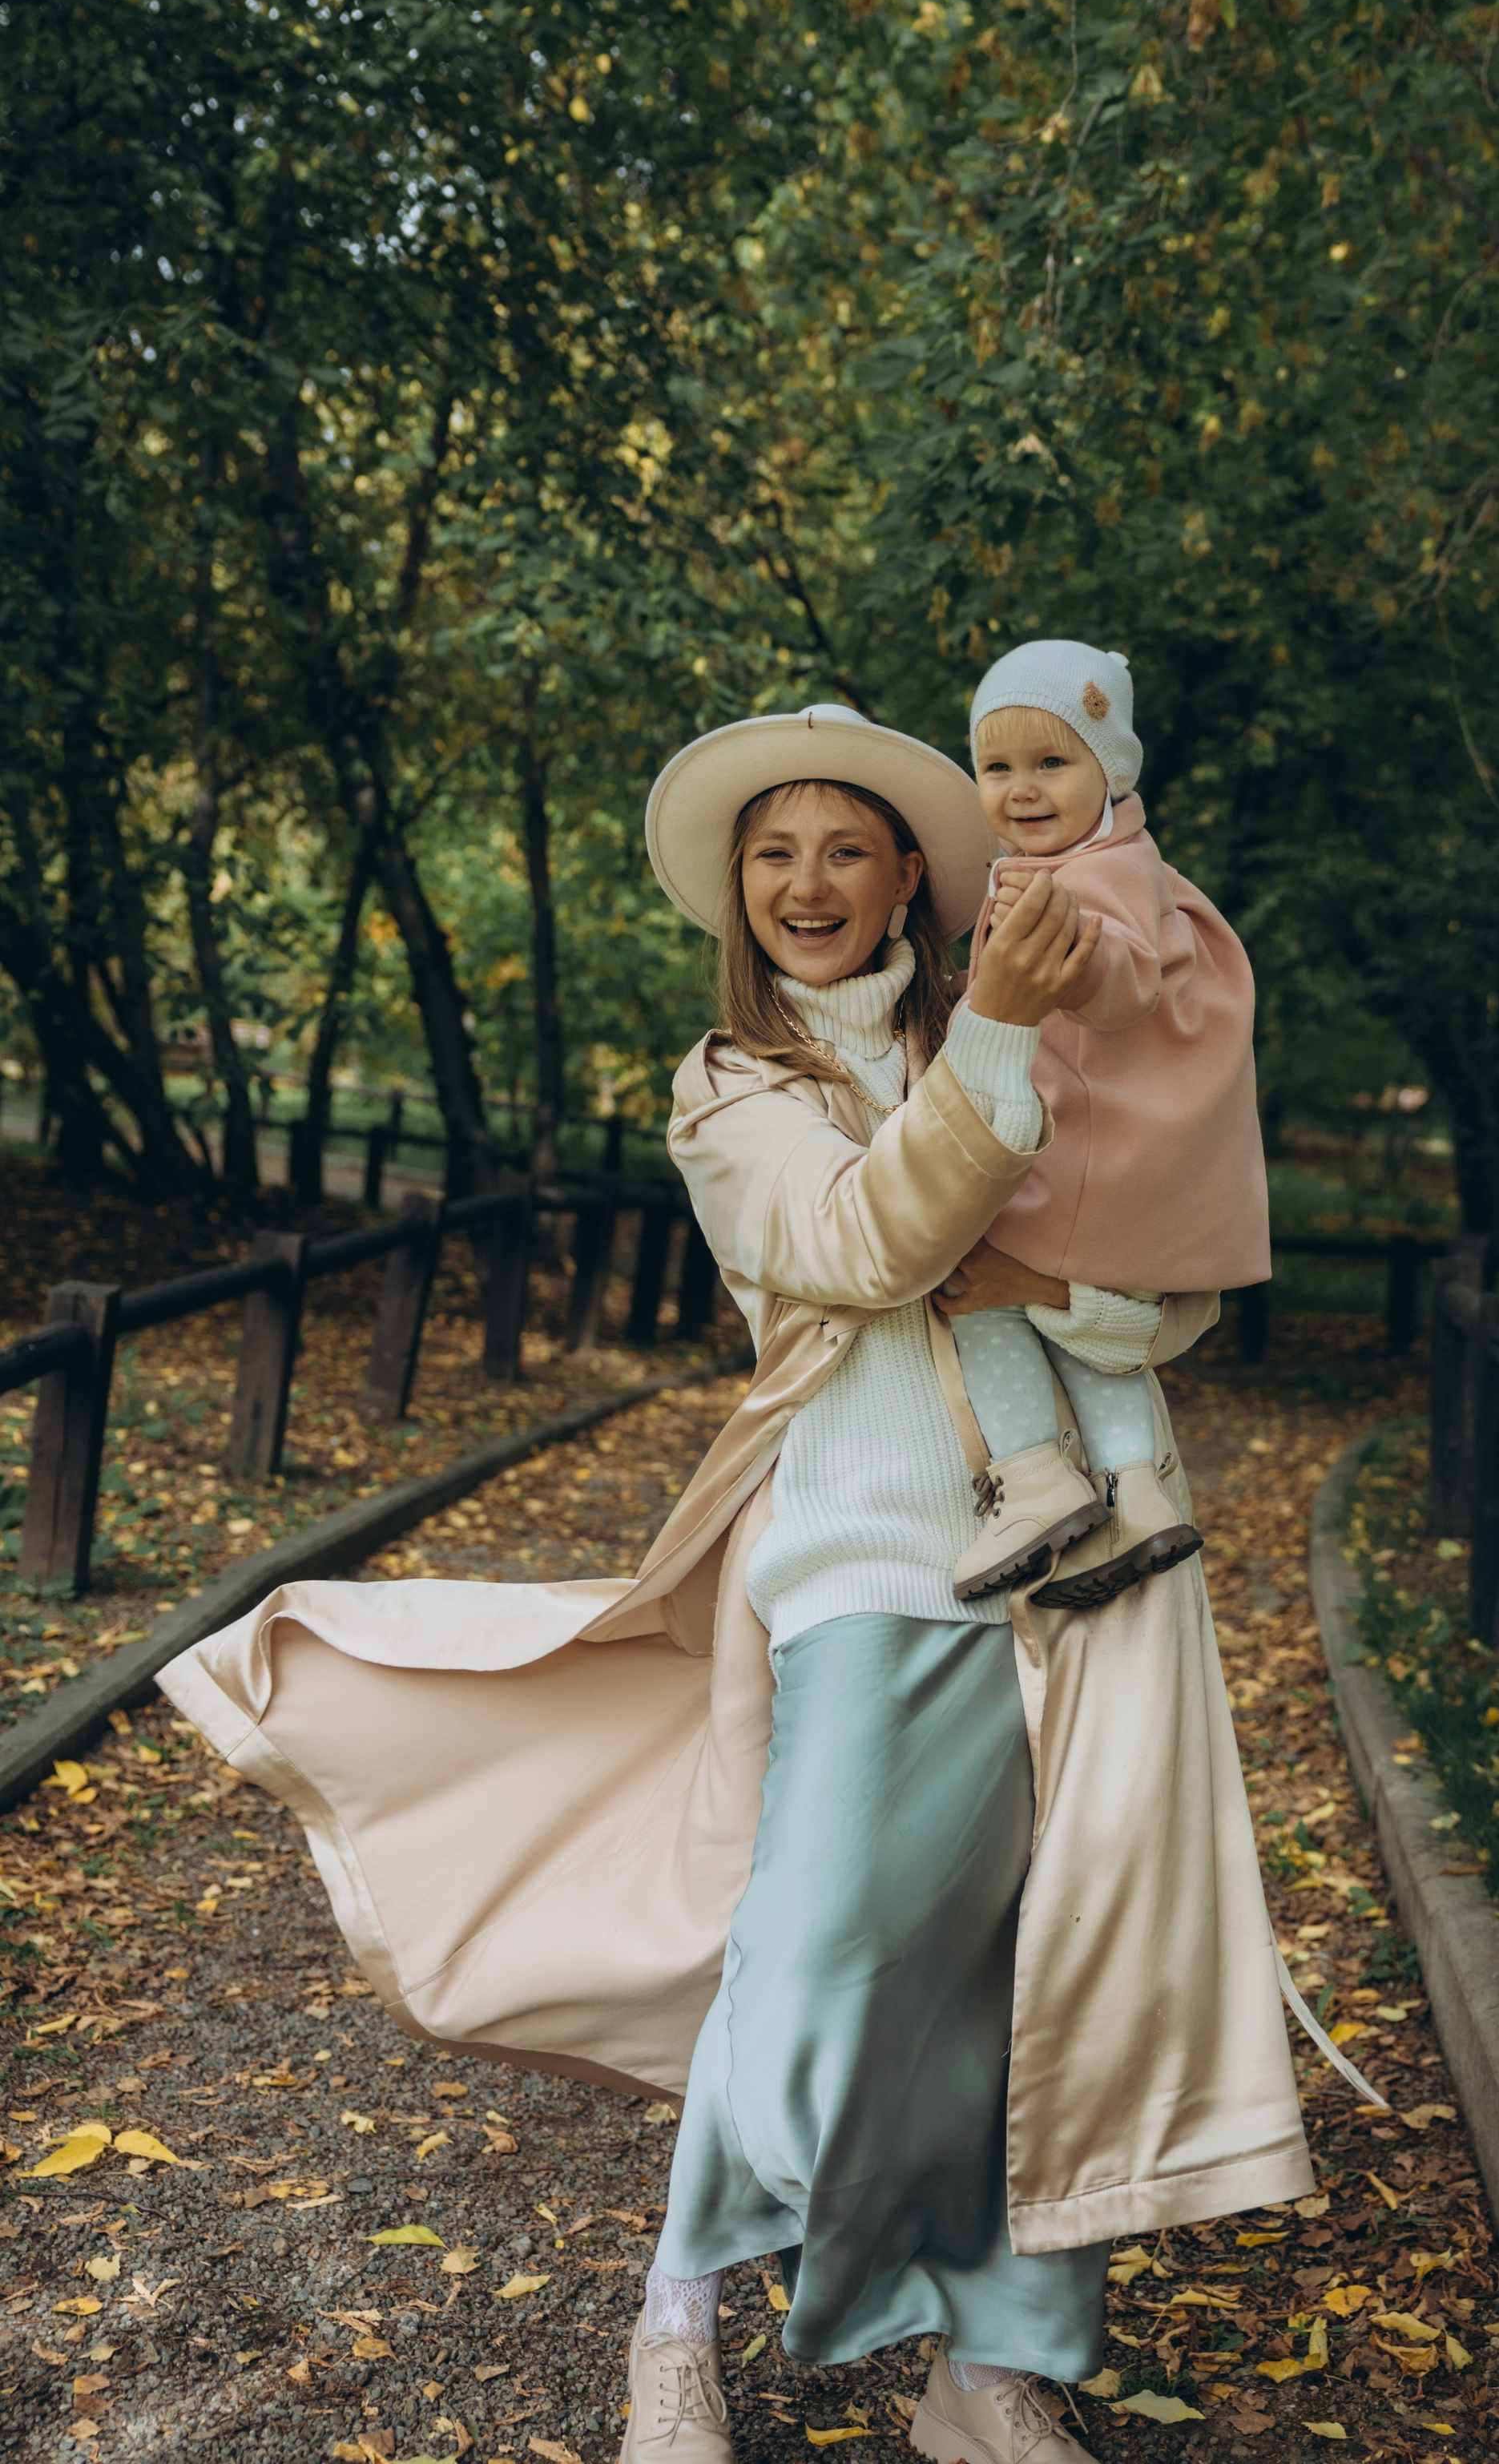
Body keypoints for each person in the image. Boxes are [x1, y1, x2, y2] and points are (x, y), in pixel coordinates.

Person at [159, 701, 1311, 2464]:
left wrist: (1061, 1280)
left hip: (1075, 1570)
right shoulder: (728, 1091)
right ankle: (673, 2329)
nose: (806, 883)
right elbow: (865, 1241)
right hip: (860, 1560)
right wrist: (997, 1067)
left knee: (1017, 1975)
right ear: (735, 890)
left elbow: (1161, 1265)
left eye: (843, 848)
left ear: (908, 873)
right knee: (820, 1946)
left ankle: (984, 2372)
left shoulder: (1032, 1028)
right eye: (772, 855)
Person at [944, 643, 1270, 1615]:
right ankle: (1136, 1489)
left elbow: (1121, 981)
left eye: (1053, 763)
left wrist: (1061, 966)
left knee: (978, 1288)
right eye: (997, 768)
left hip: (1091, 1158)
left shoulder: (1093, 875)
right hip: (1121, 1159)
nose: (1022, 790)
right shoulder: (1082, 863)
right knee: (1079, 1331)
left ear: (1110, 770)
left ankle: (1033, 1475)